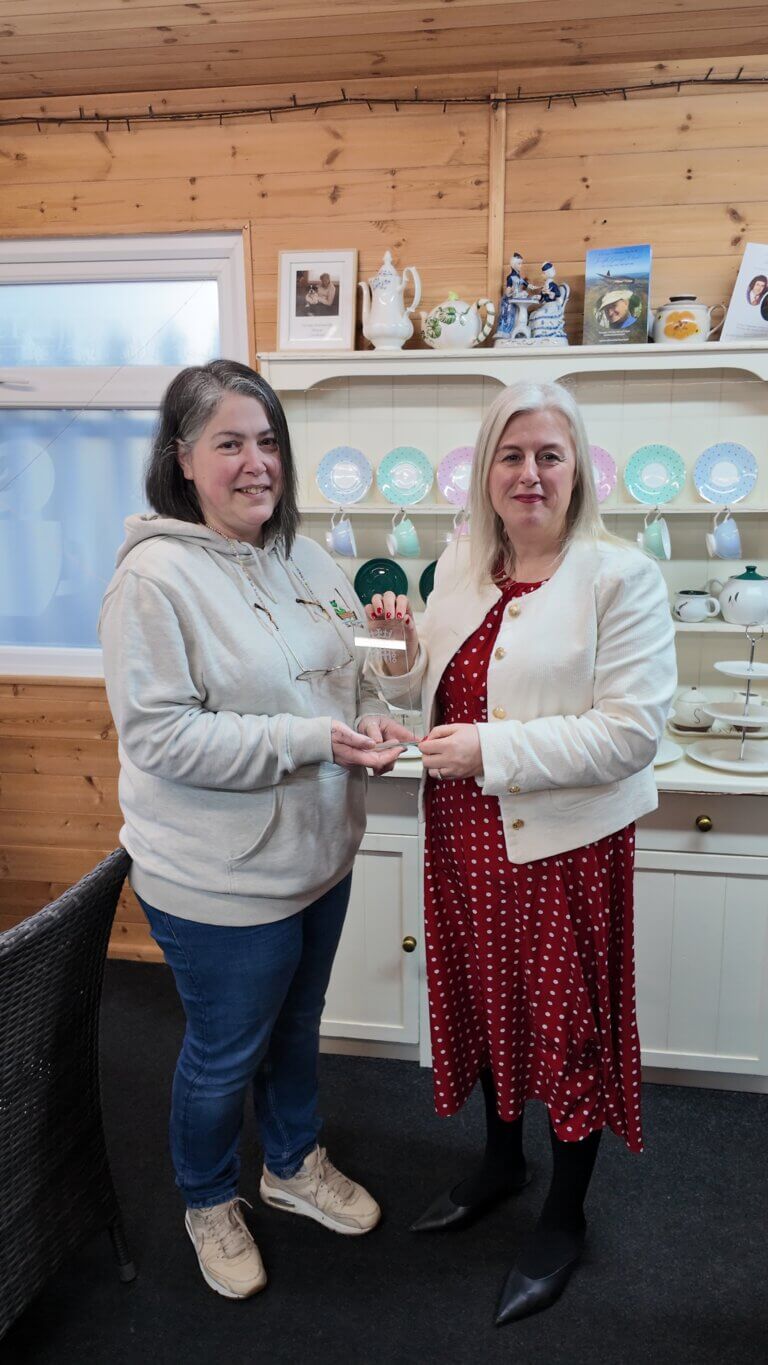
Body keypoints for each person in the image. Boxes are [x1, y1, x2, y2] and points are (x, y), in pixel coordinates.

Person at [99, 359, 412, 1300]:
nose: (256, 462)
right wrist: (312, 739)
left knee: (298, 1026)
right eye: (229, 442)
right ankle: (206, 1200)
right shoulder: (152, 580)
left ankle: (289, 1165)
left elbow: (359, 673)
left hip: (318, 856)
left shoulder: (304, 556)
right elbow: (161, 736)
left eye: (268, 440)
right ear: (182, 458)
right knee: (224, 1050)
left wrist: (388, 678)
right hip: (218, 878)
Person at [366, 380, 676, 1326]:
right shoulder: (462, 563)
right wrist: (397, 653)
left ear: (578, 468)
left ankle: (564, 1215)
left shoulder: (621, 577)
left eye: (549, 454)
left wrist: (489, 750)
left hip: (562, 852)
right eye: (511, 455)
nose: (529, 473)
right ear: (486, 470)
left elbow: (631, 733)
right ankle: (501, 1161)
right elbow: (427, 682)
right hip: (463, 837)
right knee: (484, 1002)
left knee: (563, 1027)